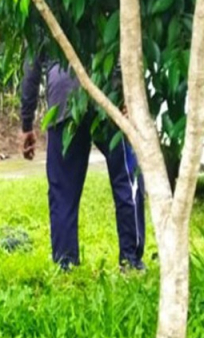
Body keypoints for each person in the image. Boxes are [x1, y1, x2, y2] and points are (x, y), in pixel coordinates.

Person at [20, 53, 145, 270]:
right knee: (126, 177)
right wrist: (128, 95)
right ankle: (131, 261)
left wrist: (26, 123)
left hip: (63, 94)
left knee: (62, 190)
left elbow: (31, 64)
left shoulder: (43, 18)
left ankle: (65, 262)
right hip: (107, 91)